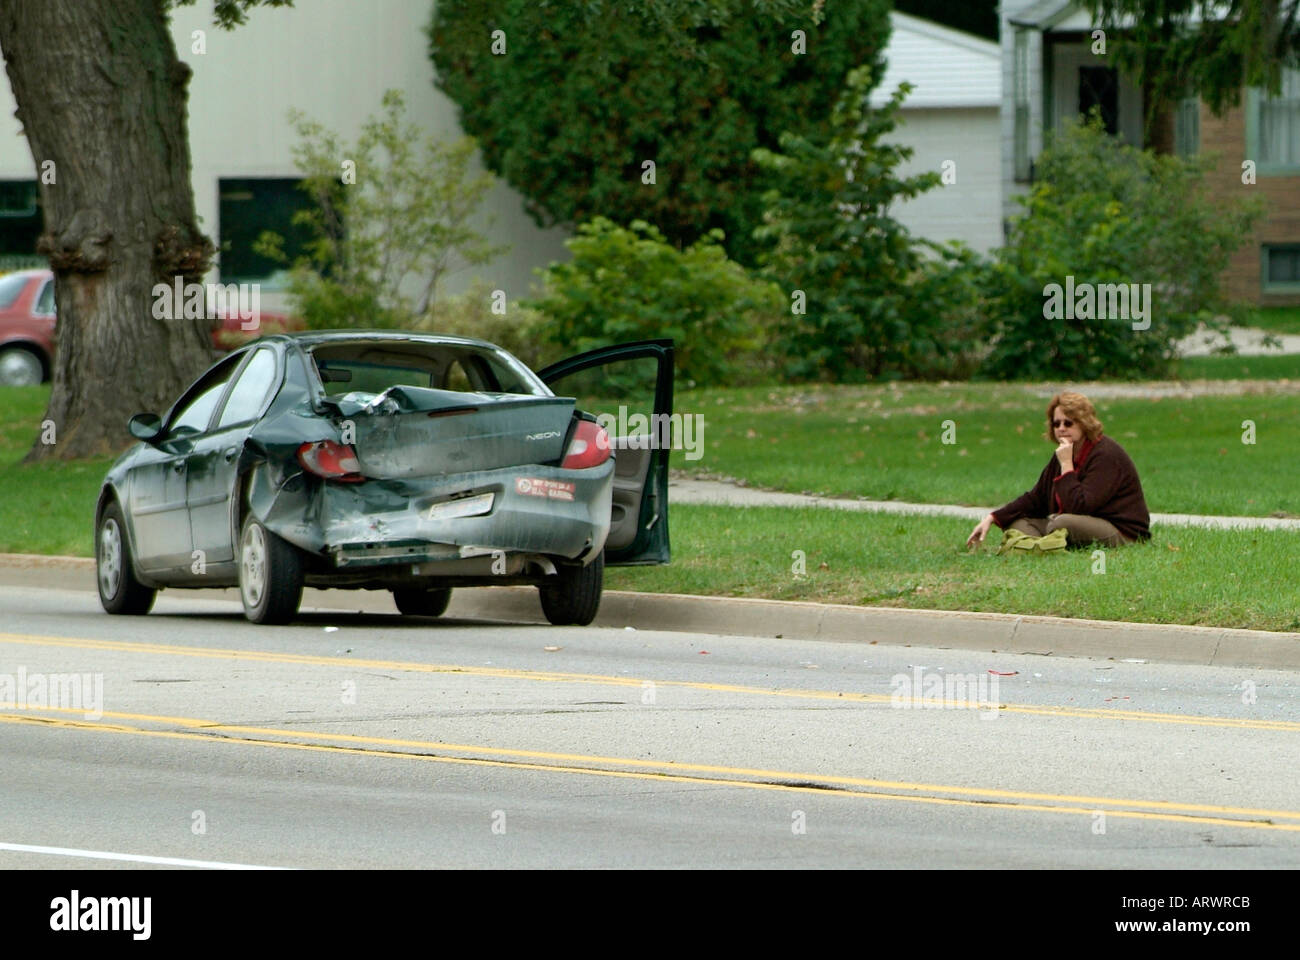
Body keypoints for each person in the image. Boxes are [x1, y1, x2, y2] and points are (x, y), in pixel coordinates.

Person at [966, 391, 1150, 550]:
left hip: (1121, 531)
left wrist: (1067, 466)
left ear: (1084, 423)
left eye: (1068, 423)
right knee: (1017, 523)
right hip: (1068, 522)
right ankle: (1042, 547)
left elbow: (1080, 507)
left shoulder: (1106, 455)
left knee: (1061, 523)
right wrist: (993, 518)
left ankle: (1039, 545)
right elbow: (1036, 499)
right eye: (1056, 424)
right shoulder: (1063, 454)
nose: (1061, 429)